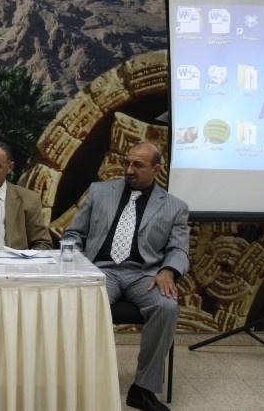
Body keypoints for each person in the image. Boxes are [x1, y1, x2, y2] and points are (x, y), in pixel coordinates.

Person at [62, 142, 189, 411]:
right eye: (127, 163)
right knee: (84, 304)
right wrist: (76, 262)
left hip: (144, 274)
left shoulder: (175, 207)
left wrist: (168, 270)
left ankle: (143, 389)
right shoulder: (99, 192)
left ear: (156, 169)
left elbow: (179, 249)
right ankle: (85, 381)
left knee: (167, 307)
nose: (129, 170)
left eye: (138, 165)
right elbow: (73, 233)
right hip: (101, 269)